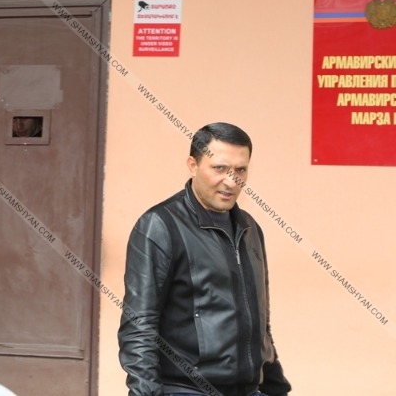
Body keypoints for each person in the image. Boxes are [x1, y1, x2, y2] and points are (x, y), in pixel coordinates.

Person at [118, 123, 291, 396]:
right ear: (193, 165)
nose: (231, 181)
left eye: (241, 170)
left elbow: (260, 323)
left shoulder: (250, 229)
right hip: (186, 389)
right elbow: (139, 325)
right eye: (219, 168)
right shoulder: (160, 226)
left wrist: (275, 387)